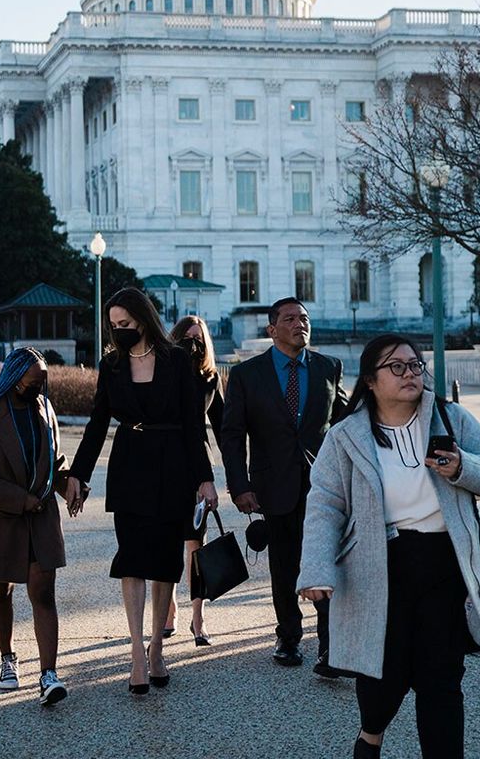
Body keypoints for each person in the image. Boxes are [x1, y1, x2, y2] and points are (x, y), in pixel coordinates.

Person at [297, 334, 480, 759]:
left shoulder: (449, 418)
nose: (410, 373)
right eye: (396, 367)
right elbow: (325, 503)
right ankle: (370, 736)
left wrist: (463, 467)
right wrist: (316, 567)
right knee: (382, 674)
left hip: (443, 565)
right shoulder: (347, 435)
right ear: (371, 380)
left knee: (442, 678)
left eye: (415, 365)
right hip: (378, 563)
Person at [67, 288, 218, 695]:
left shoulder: (178, 360)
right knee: (132, 559)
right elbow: (97, 423)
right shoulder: (112, 365)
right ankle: (136, 651)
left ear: (144, 320)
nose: (120, 332)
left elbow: (192, 425)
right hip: (130, 465)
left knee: (165, 562)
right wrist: (78, 475)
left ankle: (156, 648)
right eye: (114, 326)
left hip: (173, 467)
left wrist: (205, 478)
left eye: (126, 325)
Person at [221, 297, 347, 673]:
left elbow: (344, 424)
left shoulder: (329, 367)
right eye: (290, 319)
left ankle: (330, 646)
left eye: (305, 318)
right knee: (284, 565)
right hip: (271, 485)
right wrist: (239, 485)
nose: (300, 324)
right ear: (272, 329)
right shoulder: (246, 375)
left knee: (325, 560)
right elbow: (232, 435)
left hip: (323, 487)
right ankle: (289, 637)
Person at [0, 346, 77, 706]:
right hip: (1, 519)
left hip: (41, 517)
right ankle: (7, 659)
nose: (41, 386)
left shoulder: (45, 409)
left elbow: (55, 461)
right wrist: (18, 499)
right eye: (34, 380)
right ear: (14, 380)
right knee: (2, 591)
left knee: (43, 593)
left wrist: (70, 484)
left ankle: (48, 675)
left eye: (43, 380)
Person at [164, 315, 224, 645]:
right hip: (167, 465)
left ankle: (197, 617)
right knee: (170, 542)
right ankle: (168, 608)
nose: (193, 342)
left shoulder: (210, 377)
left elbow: (224, 426)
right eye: (186, 337)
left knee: (195, 547)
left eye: (198, 337)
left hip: (199, 470)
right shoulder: (165, 372)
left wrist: (236, 477)